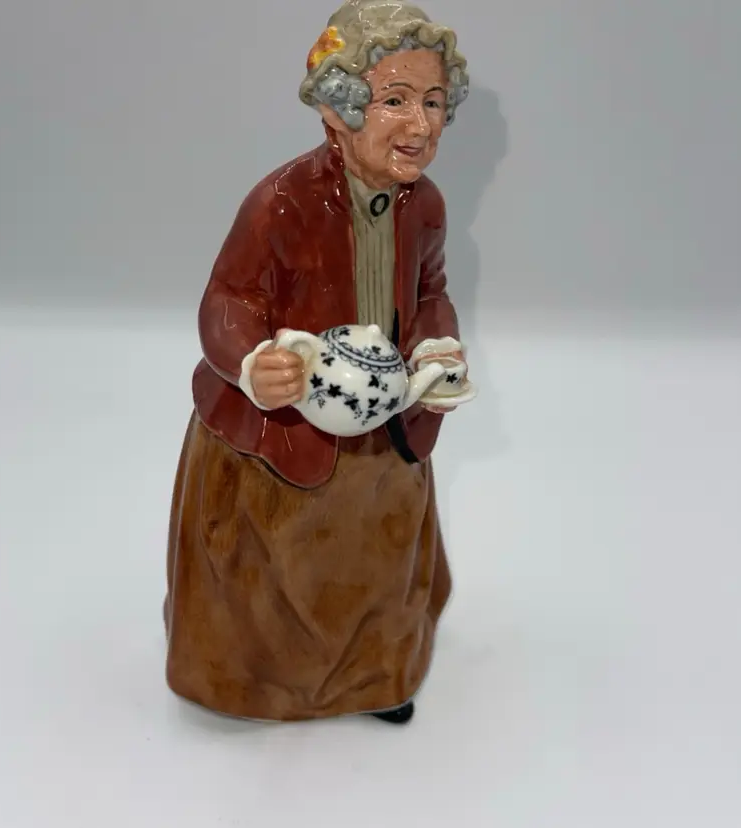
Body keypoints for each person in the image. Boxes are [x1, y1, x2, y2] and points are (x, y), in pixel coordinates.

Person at [164, 0, 470, 725]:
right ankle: (254, 683)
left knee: (377, 555)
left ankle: (375, 677)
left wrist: (435, 348)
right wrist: (253, 362)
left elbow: (430, 293)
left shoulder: (425, 206)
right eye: (395, 100)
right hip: (286, 432)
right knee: (276, 563)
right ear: (340, 109)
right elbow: (227, 299)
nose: (420, 124)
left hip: (382, 423)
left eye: (432, 102)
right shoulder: (280, 203)